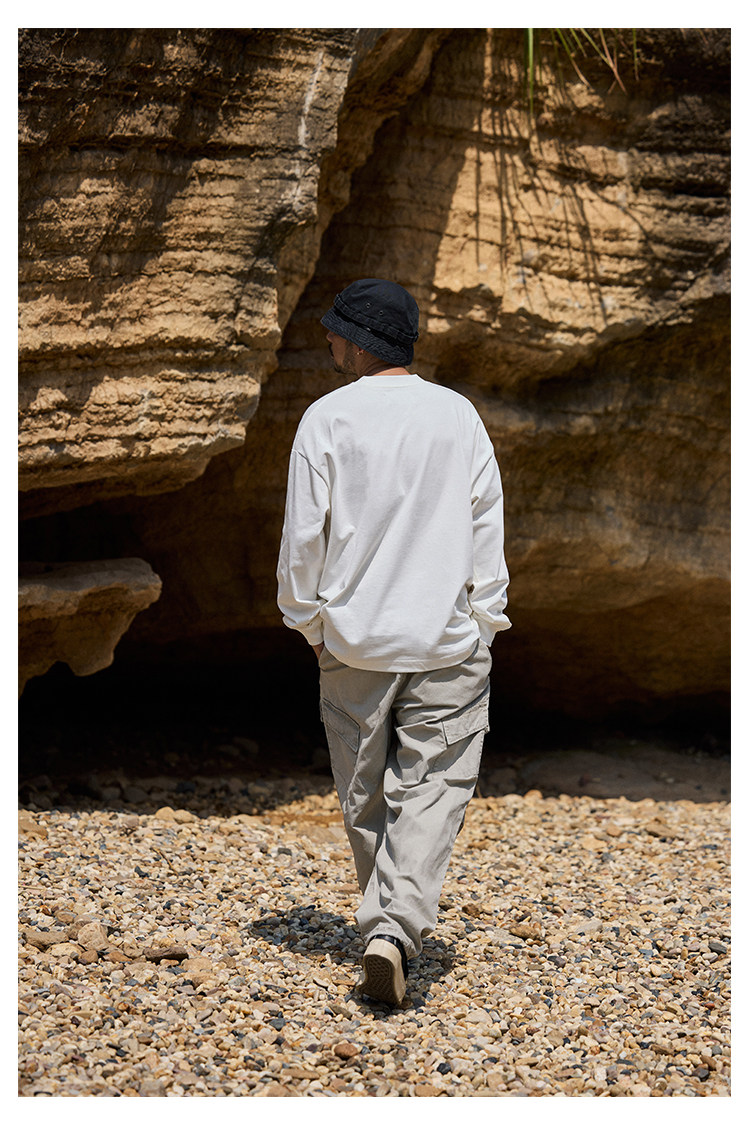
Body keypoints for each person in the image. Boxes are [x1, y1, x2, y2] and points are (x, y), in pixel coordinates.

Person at [276, 278, 510, 1007]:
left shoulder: (326, 419)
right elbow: (487, 522)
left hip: (354, 645)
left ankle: (388, 928)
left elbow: (302, 538)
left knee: (364, 796)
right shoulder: (458, 415)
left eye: (334, 331)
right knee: (434, 789)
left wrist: (309, 624)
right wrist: (486, 619)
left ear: (358, 342)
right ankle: (395, 928)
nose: (327, 339)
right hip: (447, 641)